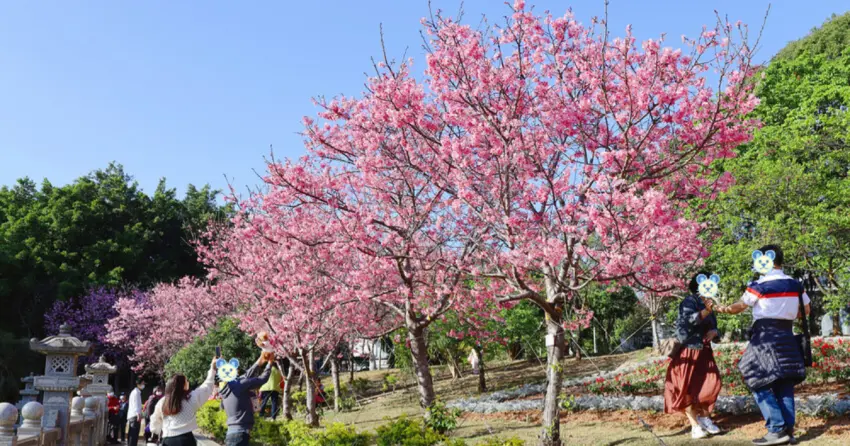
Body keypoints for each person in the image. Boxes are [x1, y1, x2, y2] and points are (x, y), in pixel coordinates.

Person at [717, 244, 811, 446]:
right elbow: (806, 310)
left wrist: (721, 308)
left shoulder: (759, 286)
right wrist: (784, 312)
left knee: (755, 378)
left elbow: (738, 307)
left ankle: (776, 429)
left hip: (765, 338)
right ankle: (788, 432)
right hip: (787, 336)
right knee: (784, 383)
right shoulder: (795, 284)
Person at [664, 272, 723, 439]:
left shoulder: (708, 303)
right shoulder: (689, 301)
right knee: (687, 389)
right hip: (689, 350)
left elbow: (714, 327)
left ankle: (704, 418)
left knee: (712, 384)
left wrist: (715, 332)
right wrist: (705, 311)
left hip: (705, 352)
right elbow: (688, 322)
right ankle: (695, 426)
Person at [150, 358, 217, 446]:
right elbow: (207, 386)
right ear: (183, 386)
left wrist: (156, 431)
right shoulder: (191, 398)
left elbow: (155, 420)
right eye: (186, 381)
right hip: (186, 440)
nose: (188, 382)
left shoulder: (162, 402)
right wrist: (212, 368)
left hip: (168, 440)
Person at [219, 354, 273, 446]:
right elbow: (262, 379)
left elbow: (246, 376)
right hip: (240, 434)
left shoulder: (226, 389)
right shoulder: (240, 385)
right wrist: (270, 363)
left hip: (230, 434)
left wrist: (260, 360)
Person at [127, 379, 144, 446]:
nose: (143, 385)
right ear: (138, 384)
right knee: (134, 434)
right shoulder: (136, 392)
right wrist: (138, 414)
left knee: (132, 433)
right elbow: (136, 404)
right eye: (142, 383)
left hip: (133, 415)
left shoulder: (135, 392)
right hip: (135, 415)